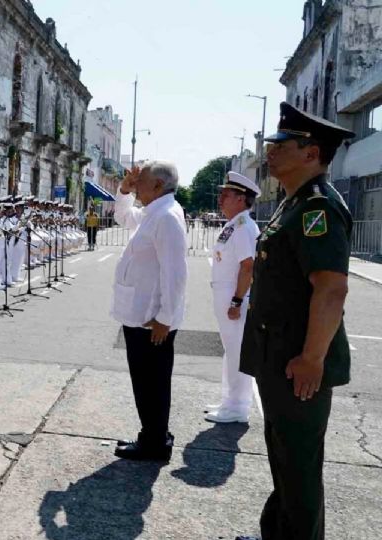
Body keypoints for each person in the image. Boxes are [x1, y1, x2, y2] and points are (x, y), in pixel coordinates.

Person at [236, 103, 355, 540]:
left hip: (295, 360)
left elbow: (331, 289)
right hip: (279, 354)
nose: (271, 152)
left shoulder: (316, 208)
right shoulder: (296, 203)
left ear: (311, 152)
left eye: (282, 145)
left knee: (299, 465)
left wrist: (311, 358)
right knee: (285, 457)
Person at [109, 160, 187, 461]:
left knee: (149, 382)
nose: (135, 182)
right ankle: (155, 433)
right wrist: (125, 190)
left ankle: (153, 441)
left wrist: (165, 318)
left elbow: (176, 273)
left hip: (151, 320)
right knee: (148, 380)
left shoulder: (166, 217)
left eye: (141, 180)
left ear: (158, 185)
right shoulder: (156, 212)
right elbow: (123, 217)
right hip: (142, 315)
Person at [205, 171, 261, 424]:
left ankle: (238, 407)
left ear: (241, 199)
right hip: (225, 292)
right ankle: (229, 400)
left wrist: (237, 301)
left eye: (225, 195)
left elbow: (247, 266)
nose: (220, 199)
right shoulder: (233, 224)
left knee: (238, 351)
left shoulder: (244, 227)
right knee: (231, 350)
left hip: (234, 296)